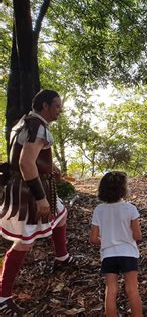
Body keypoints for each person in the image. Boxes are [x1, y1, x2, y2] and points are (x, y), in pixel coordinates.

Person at [0, 90, 74, 314]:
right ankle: (3, 297)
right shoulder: (38, 127)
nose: (59, 111)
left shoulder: (25, 122)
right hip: (29, 191)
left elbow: (29, 156)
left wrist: (49, 167)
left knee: (61, 214)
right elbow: (25, 164)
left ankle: (62, 257)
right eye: (57, 106)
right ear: (44, 106)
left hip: (32, 185)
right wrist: (41, 198)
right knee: (24, 241)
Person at [90, 171, 143, 317]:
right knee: (132, 289)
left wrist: (107, 241)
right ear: (123, 189)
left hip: (108, 255)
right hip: (128, 253)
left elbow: (93, 239)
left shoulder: (99, 210)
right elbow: (137, 236)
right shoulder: (130, 208)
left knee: (111, 290)